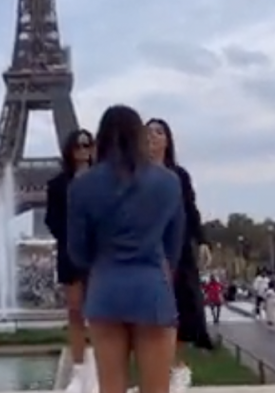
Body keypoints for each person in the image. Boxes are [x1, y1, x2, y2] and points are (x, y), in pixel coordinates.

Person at [68, 105, 185, 393]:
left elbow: (77, 251)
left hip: (106, 287)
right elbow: (174, 243)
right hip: (151, 288)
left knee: (111, 386)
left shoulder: (83, 185)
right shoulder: (168, 182)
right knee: (157, 388)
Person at [147, 117, 213, 392]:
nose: (152, 136)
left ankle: (177, 365)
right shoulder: (134, 174)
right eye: (147, 132)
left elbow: (191, 211)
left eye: (158, 132)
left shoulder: (179, 175)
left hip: (178, 249)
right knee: (153, 312)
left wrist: (203, 241)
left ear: (167, 140)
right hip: (148, 249)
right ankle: (162, 369)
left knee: (181, 307)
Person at [45, 129, 95, 393]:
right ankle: (79, 370)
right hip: (71, 254)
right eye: (77, 146)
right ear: (70, 150)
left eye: (87, 145)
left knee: (101, 315)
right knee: (75, 312)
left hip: (100, 256)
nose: (83, 150)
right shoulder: (57, 185)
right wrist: (71, 238)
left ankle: (97, 368)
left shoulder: (104, 180)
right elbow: (51, 220)